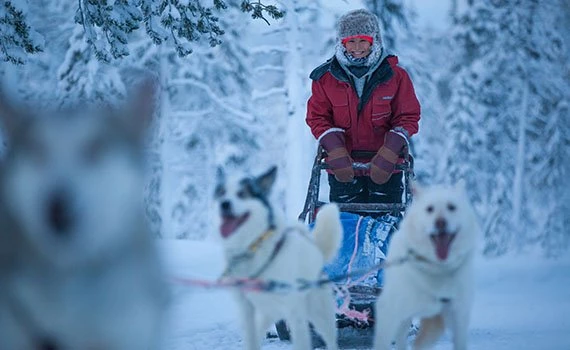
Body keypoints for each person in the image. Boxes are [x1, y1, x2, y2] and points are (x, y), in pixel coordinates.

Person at [306, 8, 420, 208]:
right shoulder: (325, 78)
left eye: (363, 40)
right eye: (350, 41)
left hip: (387, 168)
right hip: (342, 167)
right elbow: (317, 117)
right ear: (342, 43)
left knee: (386, 227)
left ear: (373, 40)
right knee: (346, 227)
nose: (357, 47)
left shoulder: (396, 76)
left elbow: (408, 116)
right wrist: (335, 149)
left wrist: (391, 150)